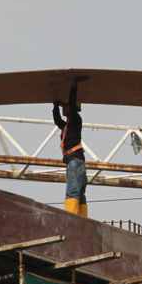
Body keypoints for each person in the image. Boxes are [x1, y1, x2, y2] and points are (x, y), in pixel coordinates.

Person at [52, 82, 88, 217]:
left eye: (65, 106)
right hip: (76, 161)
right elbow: (57, 121)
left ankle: (71, 219)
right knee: (79, 193)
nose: (64, 109)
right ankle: (83, 219)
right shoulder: (67, 126)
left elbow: (72, 105)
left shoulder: (76, 120)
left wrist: (73, 88)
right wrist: (55, 106)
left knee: (72, 192)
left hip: (75, 161)